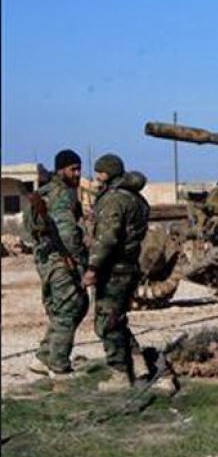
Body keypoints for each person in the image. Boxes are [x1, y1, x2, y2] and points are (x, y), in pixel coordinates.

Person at [83, 154, 151, 392]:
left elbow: (108, 238)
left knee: (107, 324)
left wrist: (92, 268)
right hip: (129, 266)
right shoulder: (135, 197)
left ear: (107, 173)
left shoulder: (114, 199)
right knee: (117, 319)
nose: (96, 176)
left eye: (99, 172)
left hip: (114, 269)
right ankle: (139, 364)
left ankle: (120, 375)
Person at [24, 149, 90, 377]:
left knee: (75, 306)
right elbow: (68, 234)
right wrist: (80, 264)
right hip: (61, 260)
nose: (77, 173)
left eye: (79, 168)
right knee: (69, 309)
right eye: (73, 169)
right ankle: (59, 366)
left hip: (48, 259)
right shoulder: (61, 195)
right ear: (61, 170)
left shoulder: (47, 192)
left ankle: (43, 357)